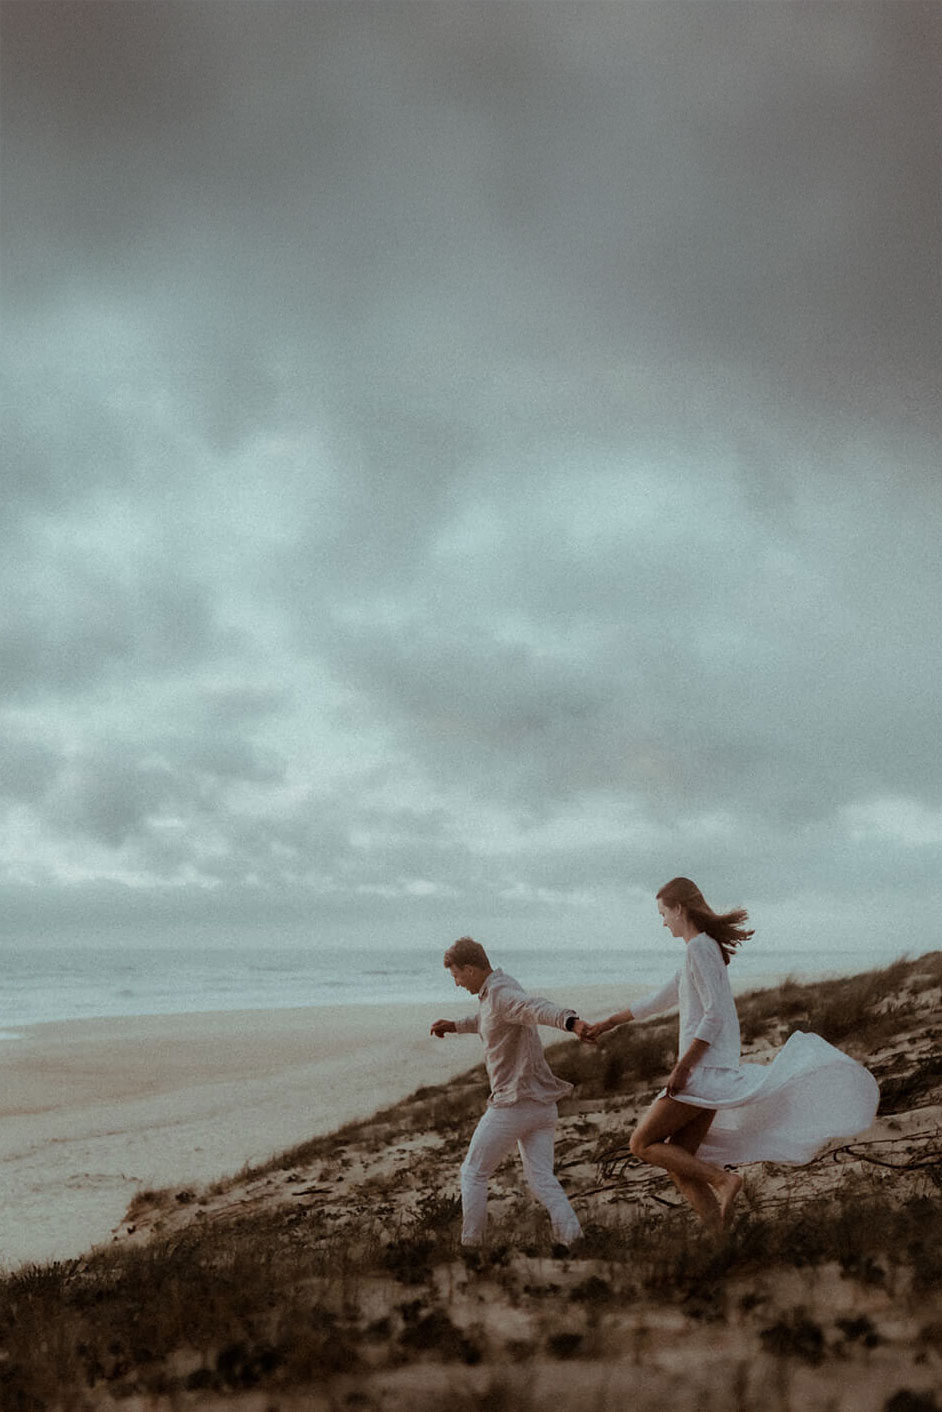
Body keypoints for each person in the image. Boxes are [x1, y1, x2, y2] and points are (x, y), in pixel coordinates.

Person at [585, 877, 880, 1233]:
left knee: (640, 1143)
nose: (662, 921)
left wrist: (683, 1066)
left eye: (663, 913)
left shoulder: (700, 949)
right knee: (681, 1165)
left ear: (680, 909)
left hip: (703, 1074)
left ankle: (724, 1181)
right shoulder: (699, 951)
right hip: (709, 1074)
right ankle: (719, 1239)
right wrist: (608, 1023)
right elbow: (655, 1002)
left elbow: (714, 1015)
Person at [430, 936, 593, 1250]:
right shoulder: (497, 991)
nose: (457, 983)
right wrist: (453, 1025)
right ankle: (574, 1240)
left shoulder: (502, 993)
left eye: (457, 976)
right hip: (541, 1107)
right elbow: (487, 1020)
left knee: (473, 1172)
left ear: (470, 968)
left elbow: (535, 1008)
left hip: (515, 1105)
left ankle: (471, 1247)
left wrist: (571, 1022)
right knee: (541, 1178)